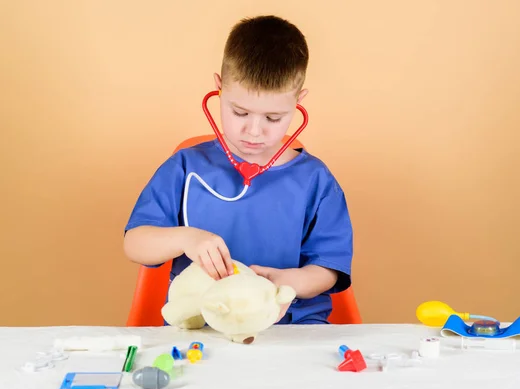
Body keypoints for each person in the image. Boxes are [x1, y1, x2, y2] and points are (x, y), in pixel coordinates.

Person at [123, 15, 353, 325]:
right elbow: (135, 243)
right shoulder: (186, 168)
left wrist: (288, 283)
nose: (254, 131)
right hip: (205, 328)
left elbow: (328, 269)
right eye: (240, 112)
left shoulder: (315, 181)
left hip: (291, 328)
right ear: (219, 89)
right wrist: (186, 238)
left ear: (299, 101)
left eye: (273, 118)